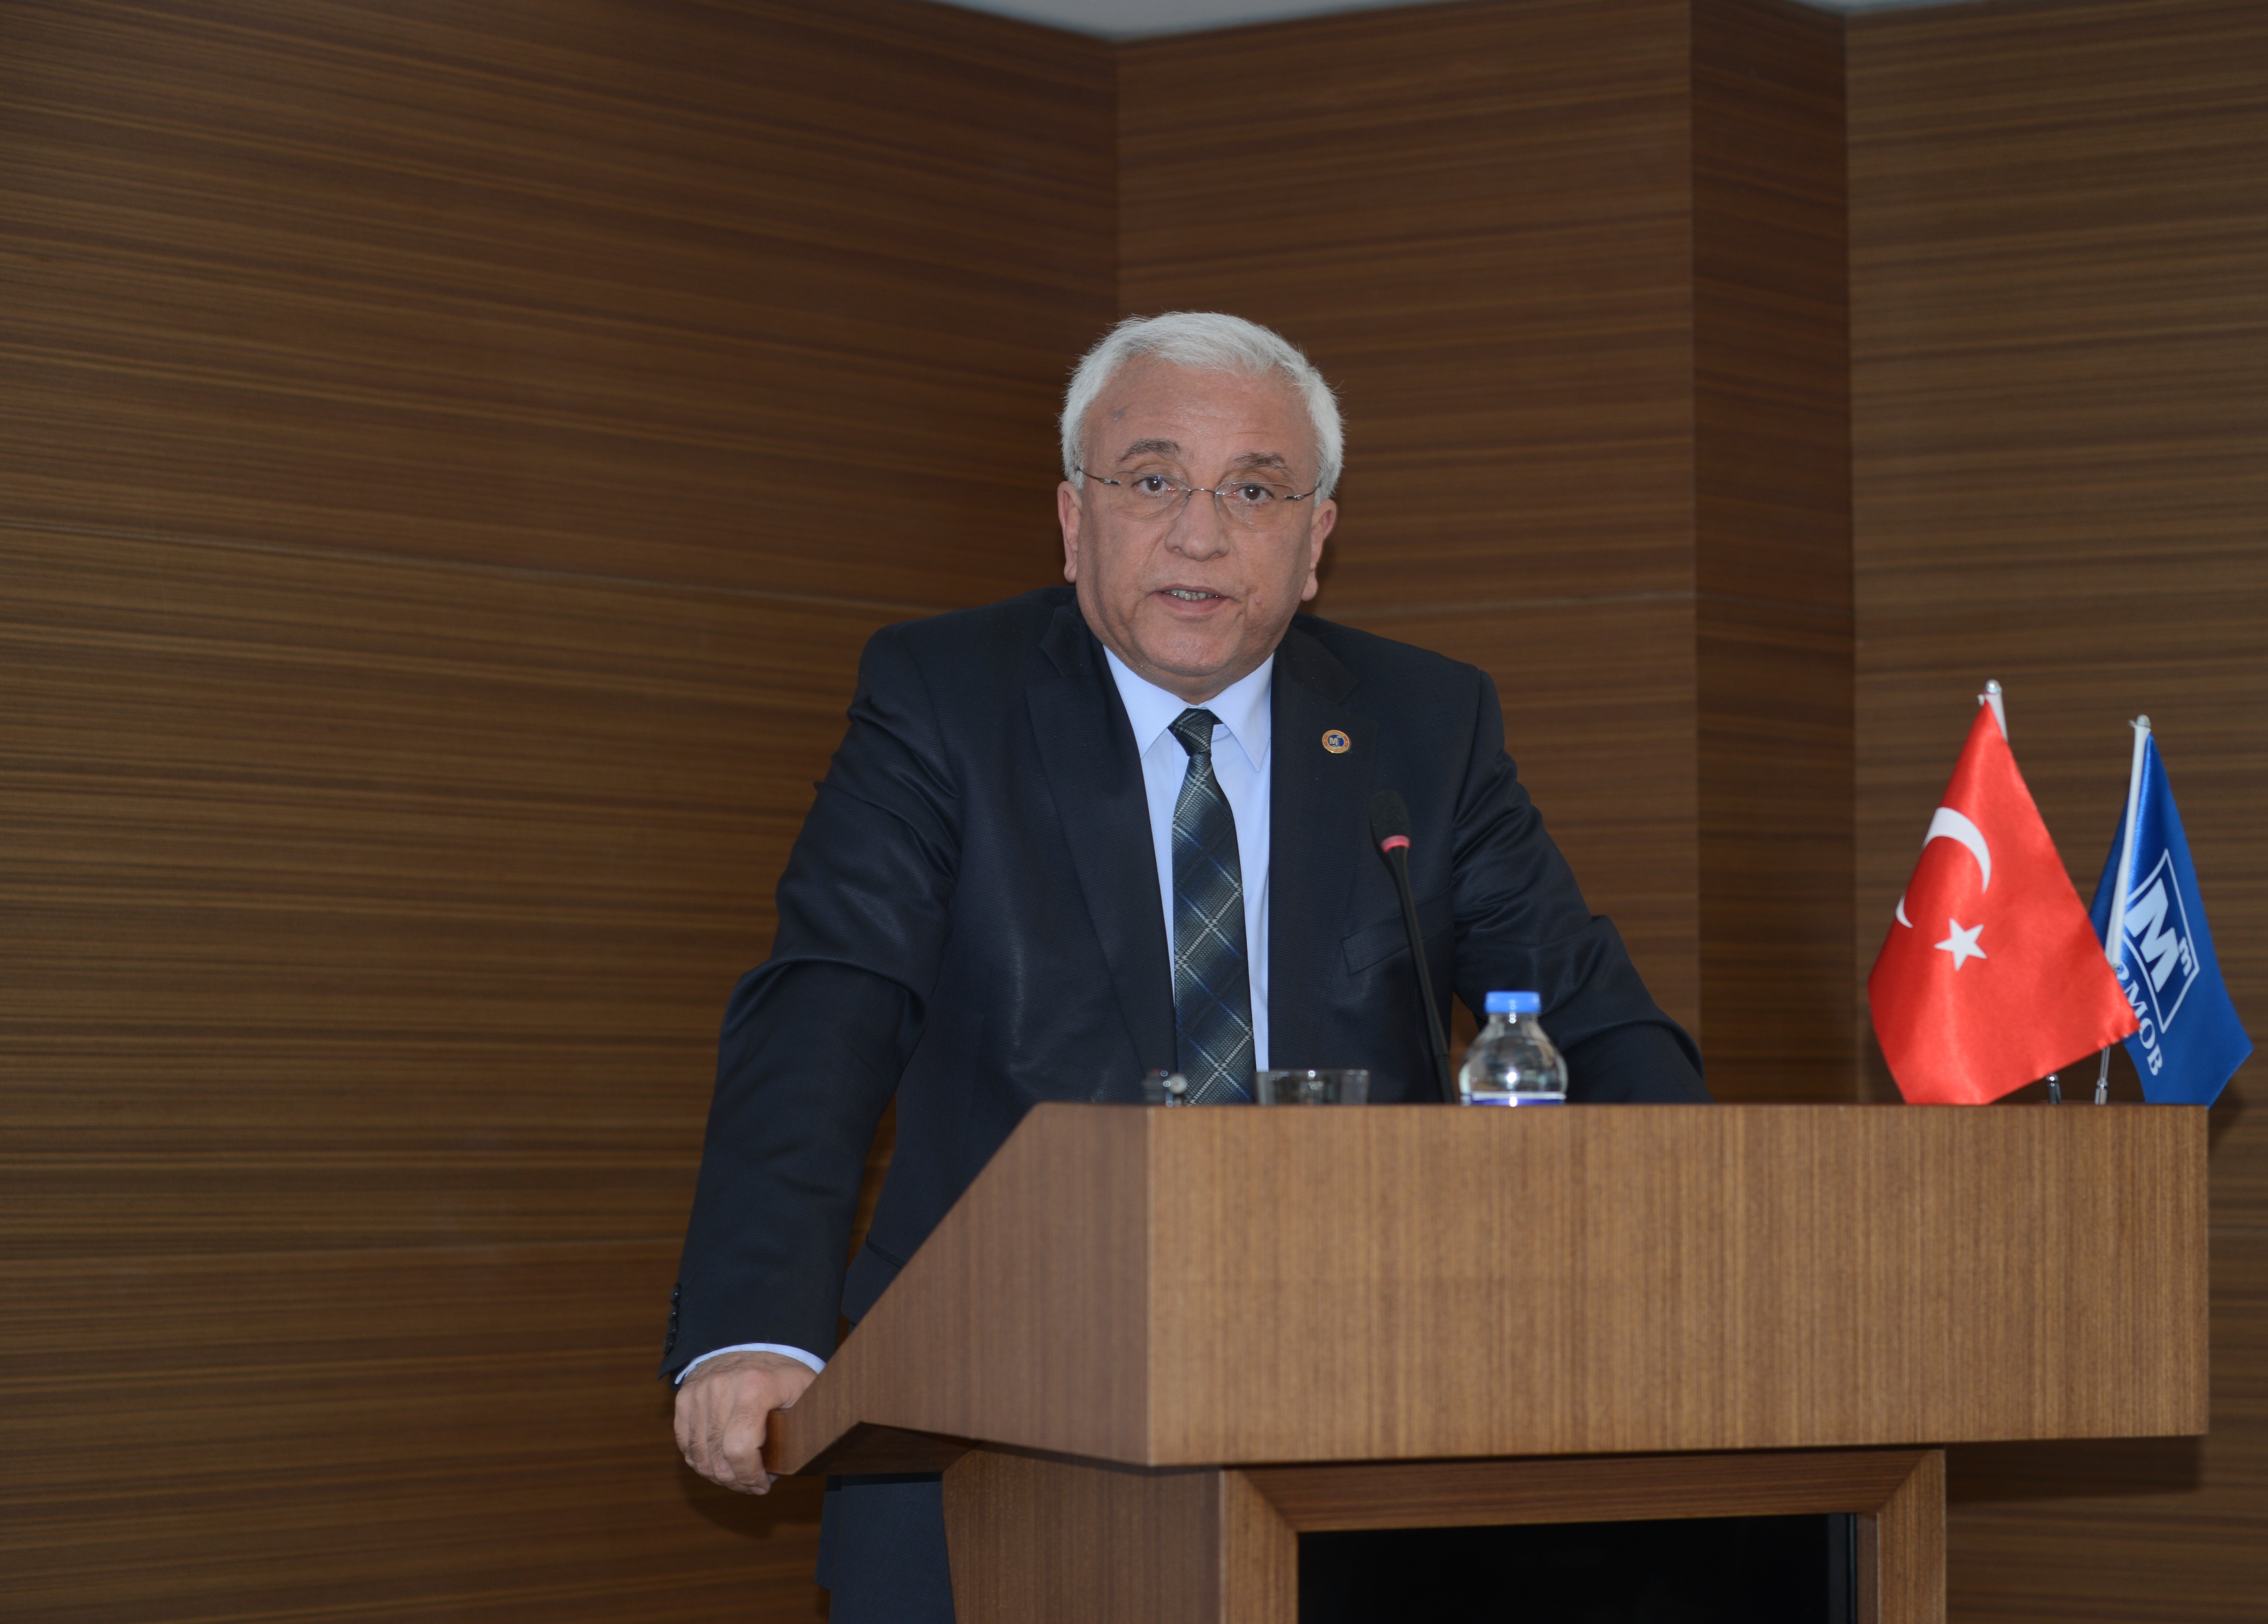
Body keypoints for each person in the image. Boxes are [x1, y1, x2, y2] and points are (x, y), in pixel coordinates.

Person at [663, 312, 1706, 1619]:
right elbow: (828, 1006)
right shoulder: (945, 696)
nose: (1200, 534)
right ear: (1073, 520)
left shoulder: (1423, 728)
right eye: (1152, 480)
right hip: (991, 1404)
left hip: (1358, 1418)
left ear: (1316, 541)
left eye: (1254, 491)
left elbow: (1590, 1019)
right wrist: (755, 1322)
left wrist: (1699, 1268)